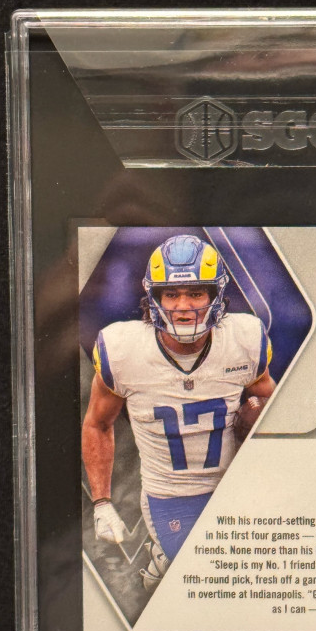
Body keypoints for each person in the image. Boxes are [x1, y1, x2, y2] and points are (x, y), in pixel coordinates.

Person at [82, 235, 275, 591]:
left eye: (195, 293)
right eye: (171, 294)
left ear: (216, 295)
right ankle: (161, 563)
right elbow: (97, 423)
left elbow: (274, 409)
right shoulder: (123, 350)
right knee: (191, 579)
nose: (183, 307)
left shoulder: (245, 338)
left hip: (235, 486)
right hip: (171, 496)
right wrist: (102, 503)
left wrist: (256, 418)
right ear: (153, 297)